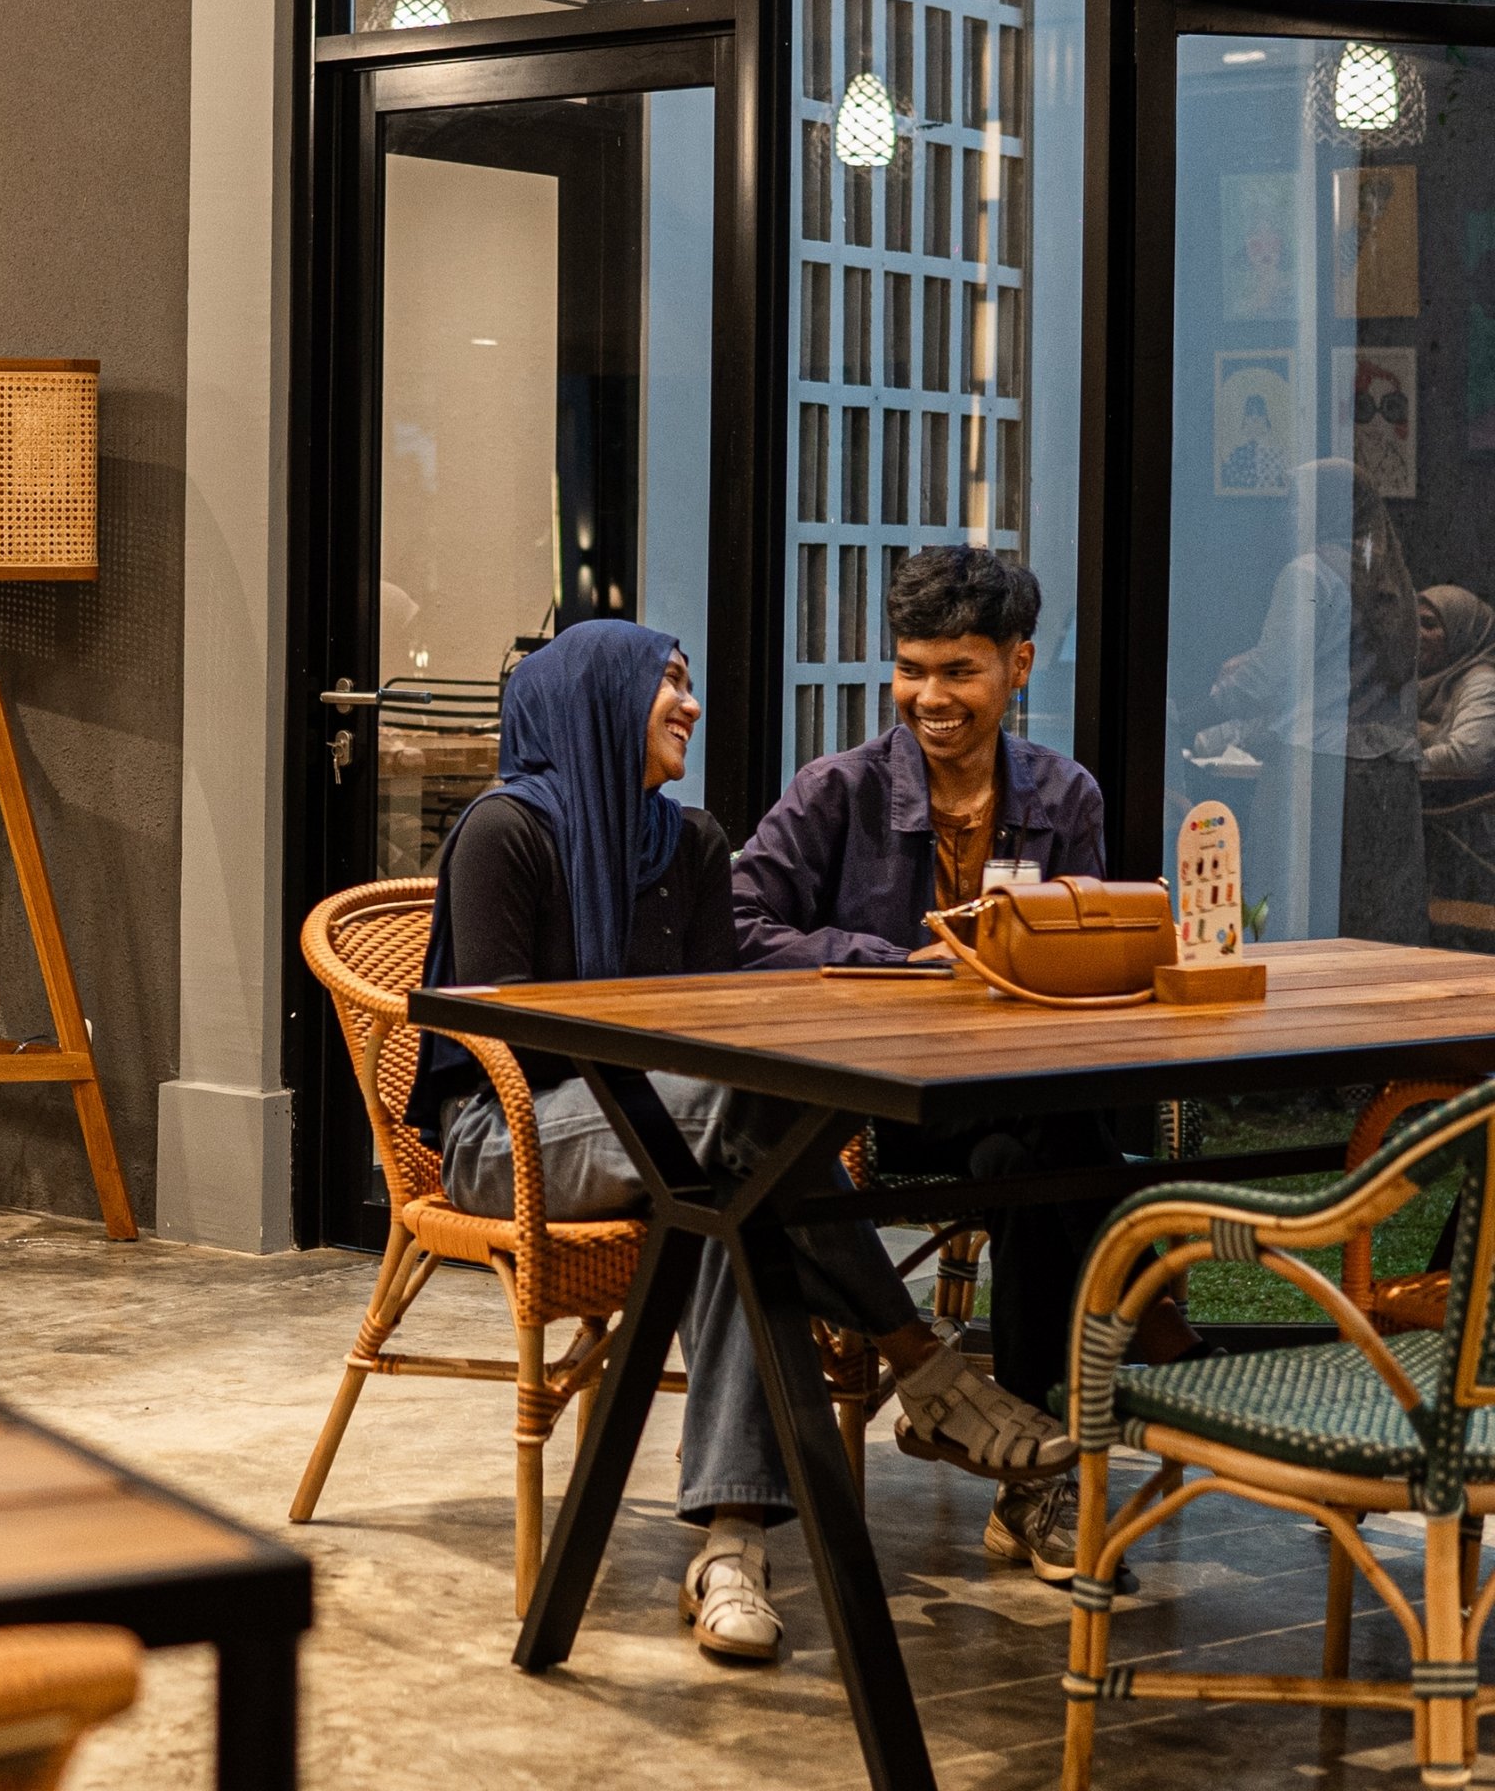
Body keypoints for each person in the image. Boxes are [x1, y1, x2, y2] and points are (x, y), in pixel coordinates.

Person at [406, 618, 1073, 1665]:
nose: (691, 704)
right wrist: (663, 1070)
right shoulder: (506, 830)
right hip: (515, 1136)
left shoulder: (692, 844)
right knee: (733, 1118)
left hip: (677, 1137)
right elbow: (502, 1038)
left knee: (730, 1201)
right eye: (667, 682)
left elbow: (724, 1019)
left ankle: (731, 1552)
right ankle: (921, 1364)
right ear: (599, 700)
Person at [732, 545, 1202, 1583]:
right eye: (911, 670)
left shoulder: (1064, 796)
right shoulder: (836, 792)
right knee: (1061, 1149)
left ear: (1018, 665)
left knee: (1032, 1160)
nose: (929, 698)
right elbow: (740, 921)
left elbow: (1082, 953)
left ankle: (1030, 1472)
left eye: (959, 671)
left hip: (1010, 1101)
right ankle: (1144, 1316)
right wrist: (887, 963)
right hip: (875, 1108)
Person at [1194, 459, 1424, 943]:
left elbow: (1271, 677)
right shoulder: (1394, 581)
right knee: (1373, 920)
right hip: (1389, 773)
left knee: (1294, 913)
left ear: (1328, 509)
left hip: (1315, 769)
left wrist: (1213, 700)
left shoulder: (1307, 574)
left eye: (1298, 502)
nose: (1289, 514)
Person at [1417, 586, 1495, 781]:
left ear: (1462, 631)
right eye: (1414, 623)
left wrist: (1395, 766)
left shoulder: (1483, 682)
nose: (1417, 634)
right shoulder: (1421, 681)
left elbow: (1468, 755)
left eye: (1429, 625)